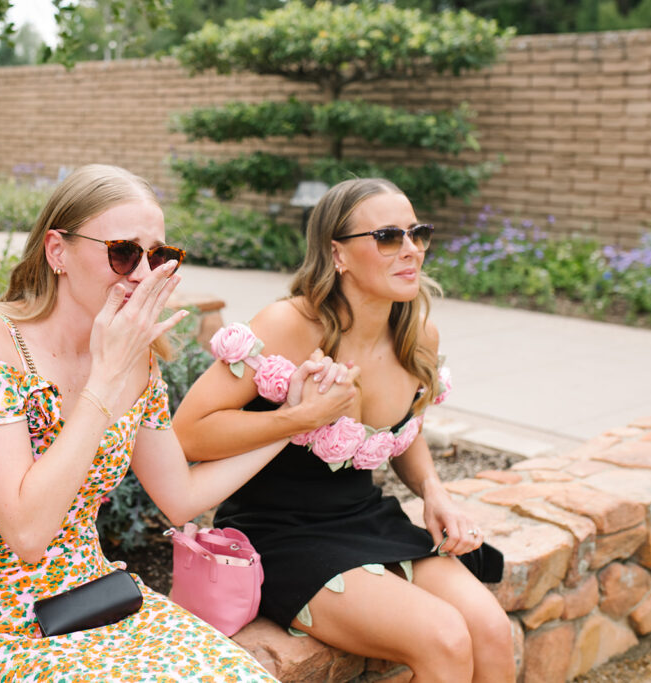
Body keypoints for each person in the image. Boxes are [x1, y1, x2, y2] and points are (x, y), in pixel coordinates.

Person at [0, 164, 284, 681]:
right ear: (57, 251)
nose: (143, 273)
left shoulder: (135, 358)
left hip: (94, 599)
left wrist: (295, 422)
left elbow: (180, 497)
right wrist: (105, 378)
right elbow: (27, 533)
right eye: (123, 252)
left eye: (159, 256)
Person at [173, 178, 516, 682]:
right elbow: (188, 432)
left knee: (492, 630)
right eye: (388, 237)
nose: (411, 250)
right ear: (338, 254)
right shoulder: (288, 325)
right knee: (444, 637)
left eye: (418, 233)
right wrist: (300, 418)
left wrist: (433, 491)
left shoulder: (417, 333)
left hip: (365, 517)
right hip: (280, 532)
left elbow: (407, 427)